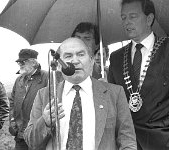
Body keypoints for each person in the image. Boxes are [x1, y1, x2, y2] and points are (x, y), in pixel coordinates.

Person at [24, 37, 137, 150]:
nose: (75, 60)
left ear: (91, 60)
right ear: (58, 65)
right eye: (68, 56)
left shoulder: (115, 93)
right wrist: (45, 123)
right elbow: (31, 142)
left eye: (81, 54)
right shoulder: (44, 95)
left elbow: (127, 140)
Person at [108, 0, 169, 149]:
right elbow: (113, 101)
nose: (127, 22)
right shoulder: (116, 58)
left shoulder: (167, 49)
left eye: (133, 16)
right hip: (128, 142)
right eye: (123, 18)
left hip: (163, 140)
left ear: (149, 19)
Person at [9, 49, 48, 150]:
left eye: (23, 62)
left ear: (34, 63)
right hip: (20, 134)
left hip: (38, 134)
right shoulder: (19, 80)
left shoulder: (47, 77)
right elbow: (12, 102)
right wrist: (12, 121)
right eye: (19, 62)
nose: (20, 64)